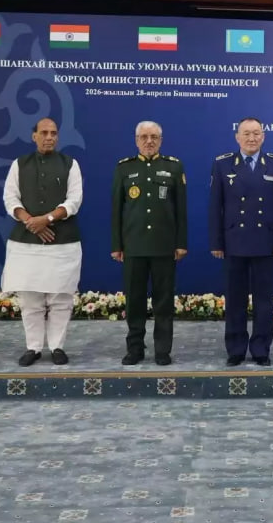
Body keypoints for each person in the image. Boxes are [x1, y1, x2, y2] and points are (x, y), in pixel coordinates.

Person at [209, 117, 273, 367]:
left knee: (264, 301)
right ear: (237, 137)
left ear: (263, 137)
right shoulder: (222, 164)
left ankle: (261, 349)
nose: (252, 138)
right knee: (235, 299)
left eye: (256, 133)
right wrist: (216, 242)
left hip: (266, 241)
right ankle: (235, 348)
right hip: (234, 241)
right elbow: (215, 207)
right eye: (246, 133)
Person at [1, 118, 84, 367]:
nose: (49, 137)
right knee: (30, 299)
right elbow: (10, 198)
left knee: (60, 298)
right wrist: (31, 222)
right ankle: (33, 348)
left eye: (53, 133)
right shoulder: (19, 164)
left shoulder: (70, 164)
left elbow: (74, 201)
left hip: (63, 241)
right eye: (44, 133)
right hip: (26, 242)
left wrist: (46, 219)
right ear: (34, 136)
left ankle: (57, 346)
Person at [112, 121, 187, 366]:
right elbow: (116, 210)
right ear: (136, 141)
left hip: (164, 245)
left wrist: (181, 243)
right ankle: (135, 349)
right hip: (133, 246)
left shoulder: (173, 167)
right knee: (134, 301)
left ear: (161, 140)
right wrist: (117, 245)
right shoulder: (124, 168)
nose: (149, 141)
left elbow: (181, 210)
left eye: (154, 137)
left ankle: (163, 350)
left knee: (163, 302)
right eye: (144, 137)